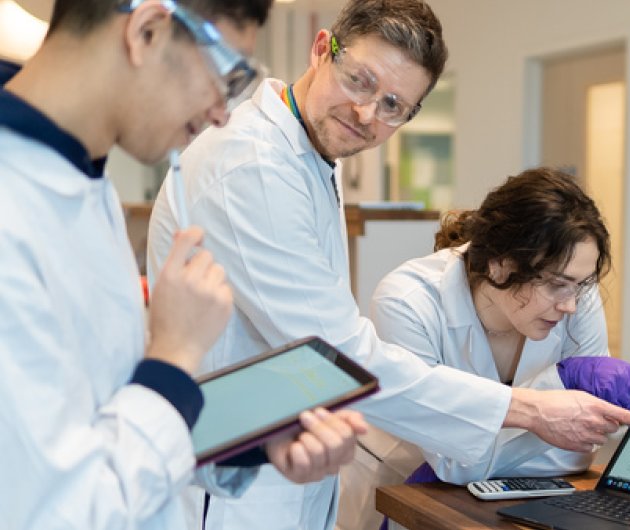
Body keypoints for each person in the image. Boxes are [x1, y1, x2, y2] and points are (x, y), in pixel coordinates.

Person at [146, 1, 630, 528]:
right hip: (228, 483)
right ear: (323, 49)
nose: (368, 114)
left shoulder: (310, 153)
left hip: (278, 458)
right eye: (359, 81)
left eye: (394, 105)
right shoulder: (254, 167)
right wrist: (534, 409)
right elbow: (337, 356)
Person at [0, 1, 365, 528]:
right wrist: (173, 356)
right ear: (147, 30)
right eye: (225, 74)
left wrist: (246, 437)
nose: (221, 113)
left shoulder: (82, 177)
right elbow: (59, 511)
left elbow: (98, 416)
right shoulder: (15, 206)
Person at [340, 167, 630, 529]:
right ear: (499, 267)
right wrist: (558, 384)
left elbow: (580, 453)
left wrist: (486, 438)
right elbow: (452, 465)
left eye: (581, 284)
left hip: (512, 505)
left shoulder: (576, 297)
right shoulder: (409, 301)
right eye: (558, 284)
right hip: (399, 490)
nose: (571, 305)